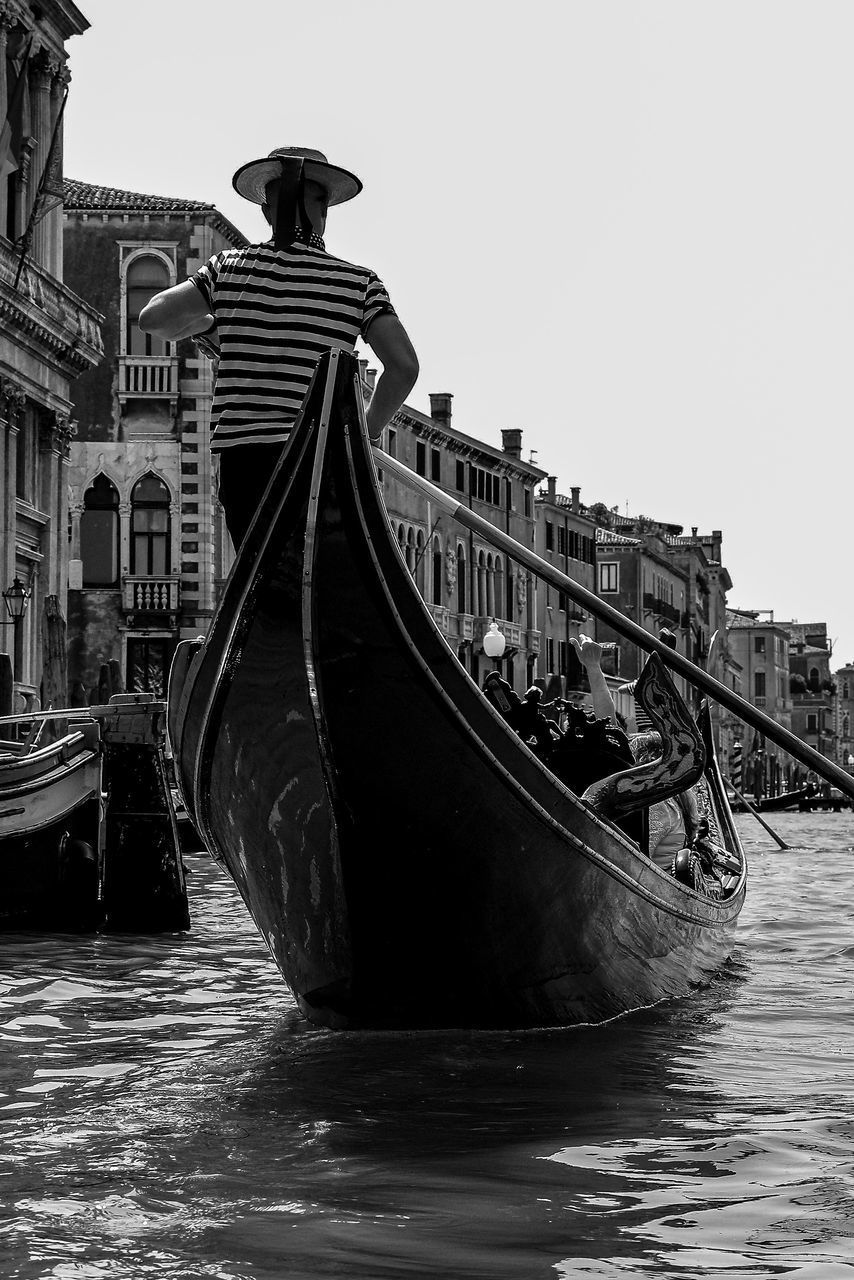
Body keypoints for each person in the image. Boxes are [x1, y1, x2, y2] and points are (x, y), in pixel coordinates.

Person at [139, 146, 419, 547]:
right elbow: (404, 367)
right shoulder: (359, 283)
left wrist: (207, 325)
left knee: (262, 580)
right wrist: (364, 432)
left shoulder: (229, 270)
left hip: (246, 464)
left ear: (270, 209)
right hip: (323, 460)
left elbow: (154, 319)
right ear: (321, 208)